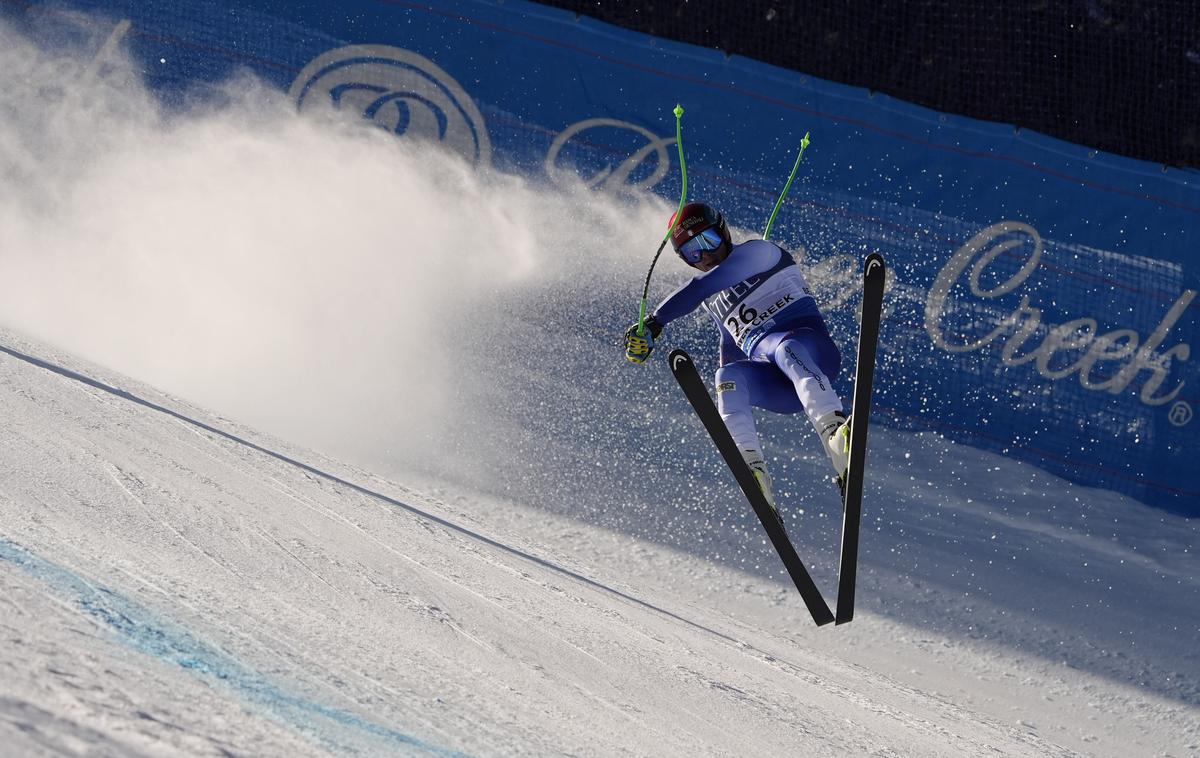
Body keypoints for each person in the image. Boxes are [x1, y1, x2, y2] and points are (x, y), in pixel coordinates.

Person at [624, 201, 851, 508]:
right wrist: (730, 388)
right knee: (727, 376)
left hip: (812, 356)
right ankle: (753, 470)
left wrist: (654, 322)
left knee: (785, 347)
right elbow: (730, 345)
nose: (705, 255)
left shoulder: (758, 252)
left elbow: (699, 287)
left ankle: (835, 434)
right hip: (781, 388)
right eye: (693, 252)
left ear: (724, 232)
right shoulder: (712, 299)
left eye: (709, 241)